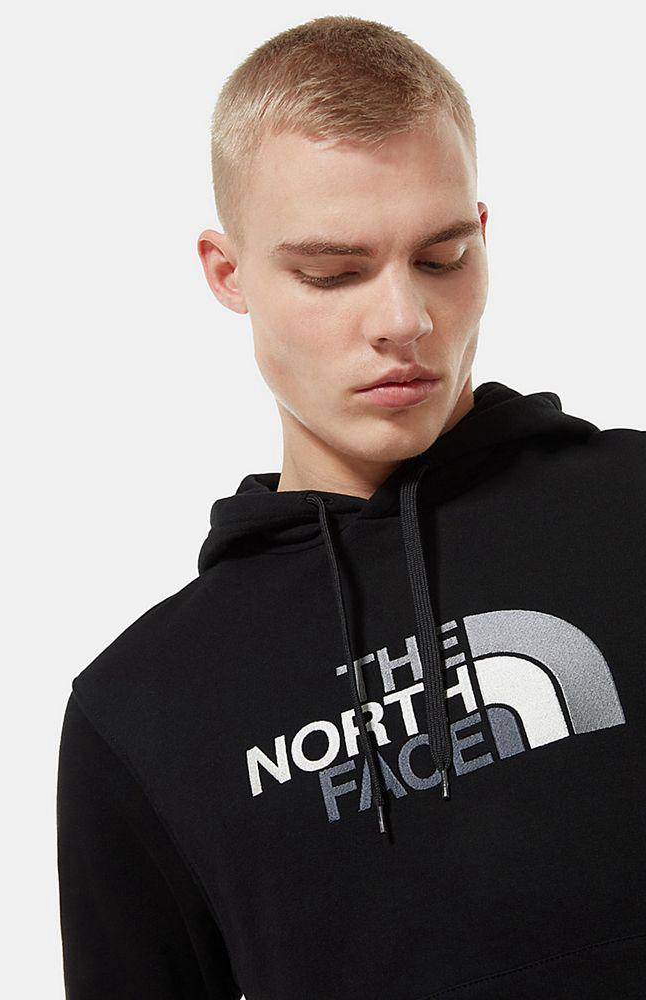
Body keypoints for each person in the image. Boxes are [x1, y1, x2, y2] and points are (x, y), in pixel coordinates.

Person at [55, 14, 646, 999]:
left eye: (442, 258)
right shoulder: (144, 710)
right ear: (228, 273)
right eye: (332, 273)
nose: (403, 320)